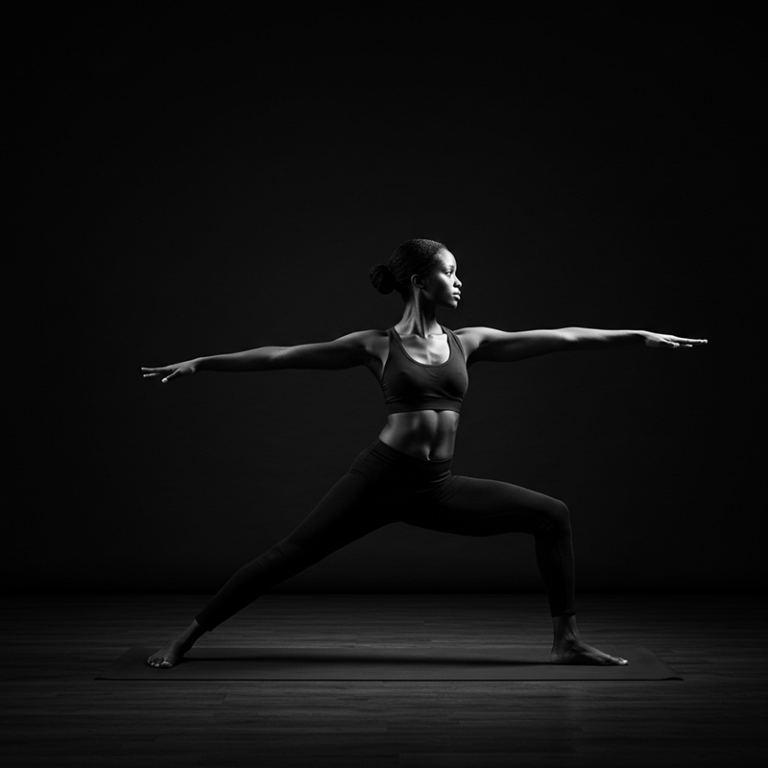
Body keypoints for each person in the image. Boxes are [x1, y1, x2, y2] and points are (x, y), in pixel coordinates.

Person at [142, 238, 706, 668]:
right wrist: (200, 362)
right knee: (286, 557)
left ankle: (568, 641)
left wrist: (637, 335)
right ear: (419, 279)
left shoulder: (470, 342)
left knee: (551, 515)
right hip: (380, 479)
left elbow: (563, 336)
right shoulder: (374, 345)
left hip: (436, 486)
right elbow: (279, 356)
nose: (460, 281)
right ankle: (187, 635)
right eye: (451, 271)